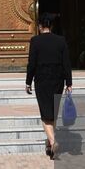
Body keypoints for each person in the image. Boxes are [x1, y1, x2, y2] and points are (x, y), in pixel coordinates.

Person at [26, 12, 73, 158]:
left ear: (40, 26)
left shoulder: (35, 41)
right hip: (57, 80)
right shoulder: (61, 41)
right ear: (51, 26)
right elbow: (66, 63)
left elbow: (31, 63)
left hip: (42, 80)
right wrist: (69, 82)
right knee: (52, 112)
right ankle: (49, 145)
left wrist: (28, 81)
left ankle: (53, 142)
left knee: (45, 114)